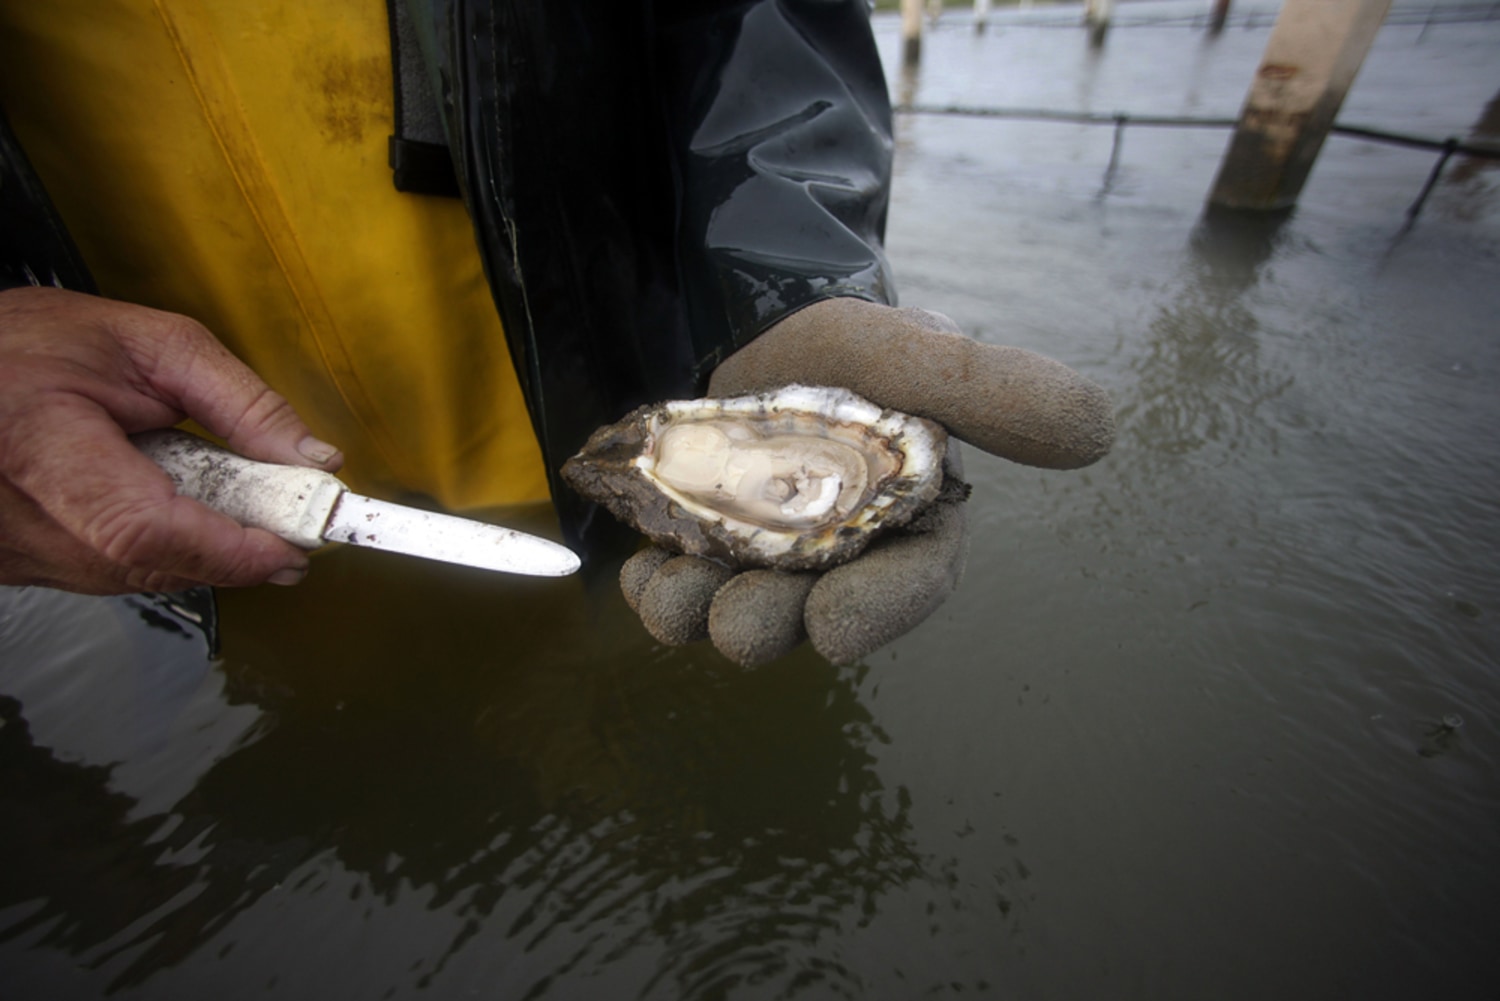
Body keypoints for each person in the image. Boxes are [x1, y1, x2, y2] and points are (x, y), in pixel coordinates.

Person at [0, 0, 1114, 665]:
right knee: (321, 681)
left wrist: (784, 291)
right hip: (183, 450)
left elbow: (756, 26)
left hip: (581, 401)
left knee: (633, 688)